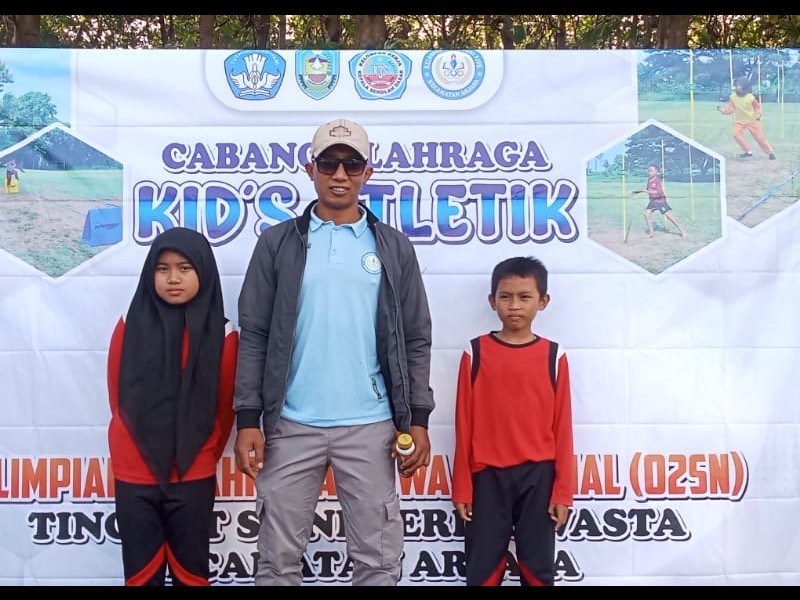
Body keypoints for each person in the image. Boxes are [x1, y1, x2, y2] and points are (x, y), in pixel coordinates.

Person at [233, 117, 435, 586]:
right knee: (277, 562)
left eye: (351, 164)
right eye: (328, 163)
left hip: (372, 425)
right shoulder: (277, 243)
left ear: (368, 172)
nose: (339, 174)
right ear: (311, 169)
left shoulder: (393, 247)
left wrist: (418, 418)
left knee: (378, 563)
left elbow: (415, 336)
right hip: (289, 425)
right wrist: (248, 419)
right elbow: (255, 333)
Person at [106, 227, 239, 585]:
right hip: (134, 471)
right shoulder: (129, 325)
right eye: (162, 269)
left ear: (204, 271)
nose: (173, 278)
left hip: (193, 472)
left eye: (185, 268)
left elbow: (224, 409)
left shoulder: (224, 335)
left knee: (191, 575)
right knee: (141, 576)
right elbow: (118, 398)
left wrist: (198, 453)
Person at [451, 256, 574, 586]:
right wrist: (462, 485)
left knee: (538, 570)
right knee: (482, 570)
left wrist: (563, 492)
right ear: (492, 301)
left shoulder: (554, 355)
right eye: (505, 297)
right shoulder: (475, 352)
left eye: (524, 297)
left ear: (543, 301)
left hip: (539, 478)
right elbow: (463, 426)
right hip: (487, 478)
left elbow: (563, 428)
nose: (514, 305)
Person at [717, 76, 776, 160]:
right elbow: (731, 109)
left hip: (751, 121)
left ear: (744, 86)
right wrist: (723, 110)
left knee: (760, 138)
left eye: (738, 85)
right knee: (736, 135)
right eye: (736, 85)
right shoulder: (732, 97)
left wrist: (758, 114)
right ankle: (748, 151)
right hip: (739, 121)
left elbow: (757, 107)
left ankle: (770, 152)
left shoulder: (750, 97)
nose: (736, 87)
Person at [632, 164, 688, 238]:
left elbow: (659, 193)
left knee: (669, 216)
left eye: (651, 171)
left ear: (656, 172)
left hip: (660, 201)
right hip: (652, 201)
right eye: (649, 171)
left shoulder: (657, 181)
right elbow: (648, 190)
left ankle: (683, 232)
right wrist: (639, 191)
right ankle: (651, 233)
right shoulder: (649, 180)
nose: (649, 172)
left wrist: (648, 192)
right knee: (646, 214)